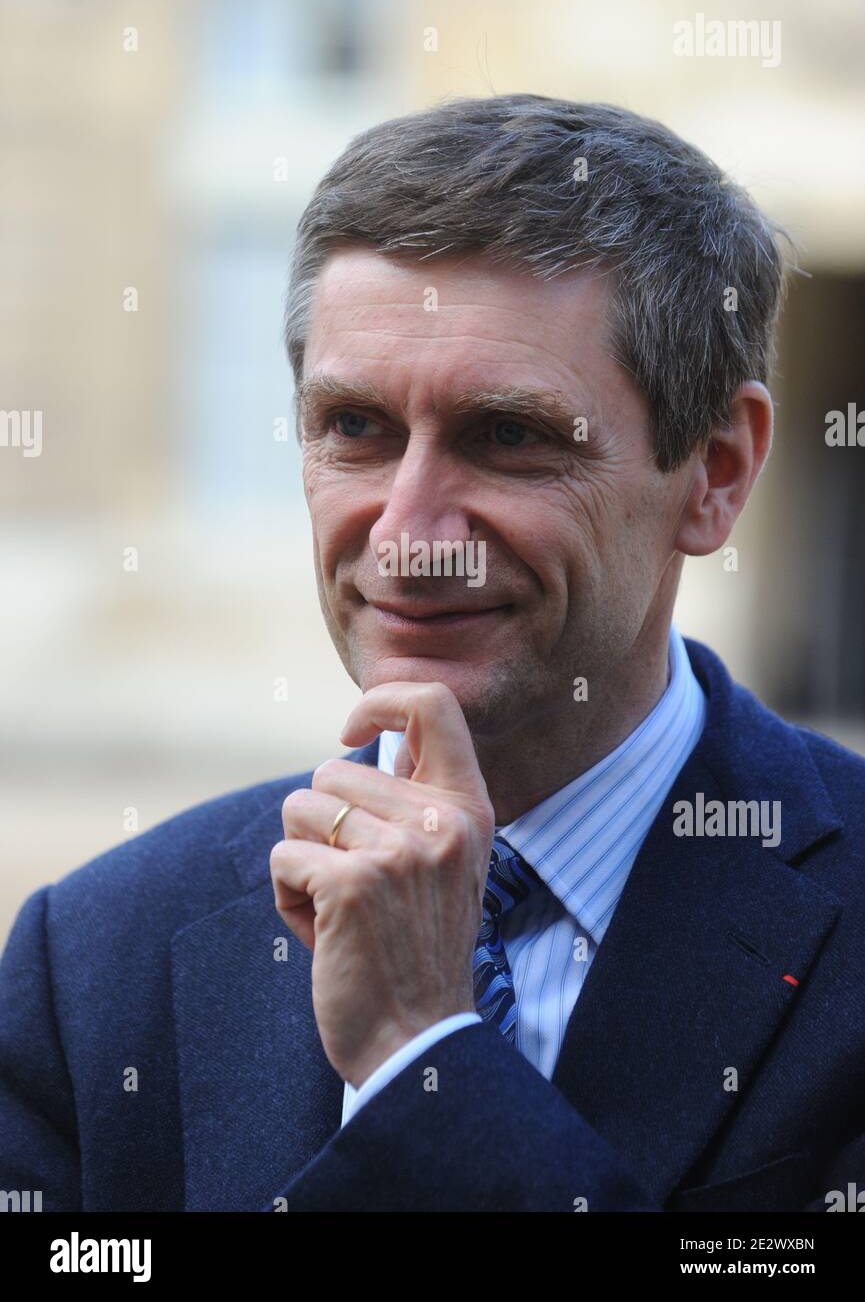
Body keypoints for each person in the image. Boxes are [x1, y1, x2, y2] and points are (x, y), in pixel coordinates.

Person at [2, 96, 863, 1213]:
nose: (408, 533)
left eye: (507, 437)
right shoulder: (95, 961)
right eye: (355, 428)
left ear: (715, 472)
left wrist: (424, 1057)